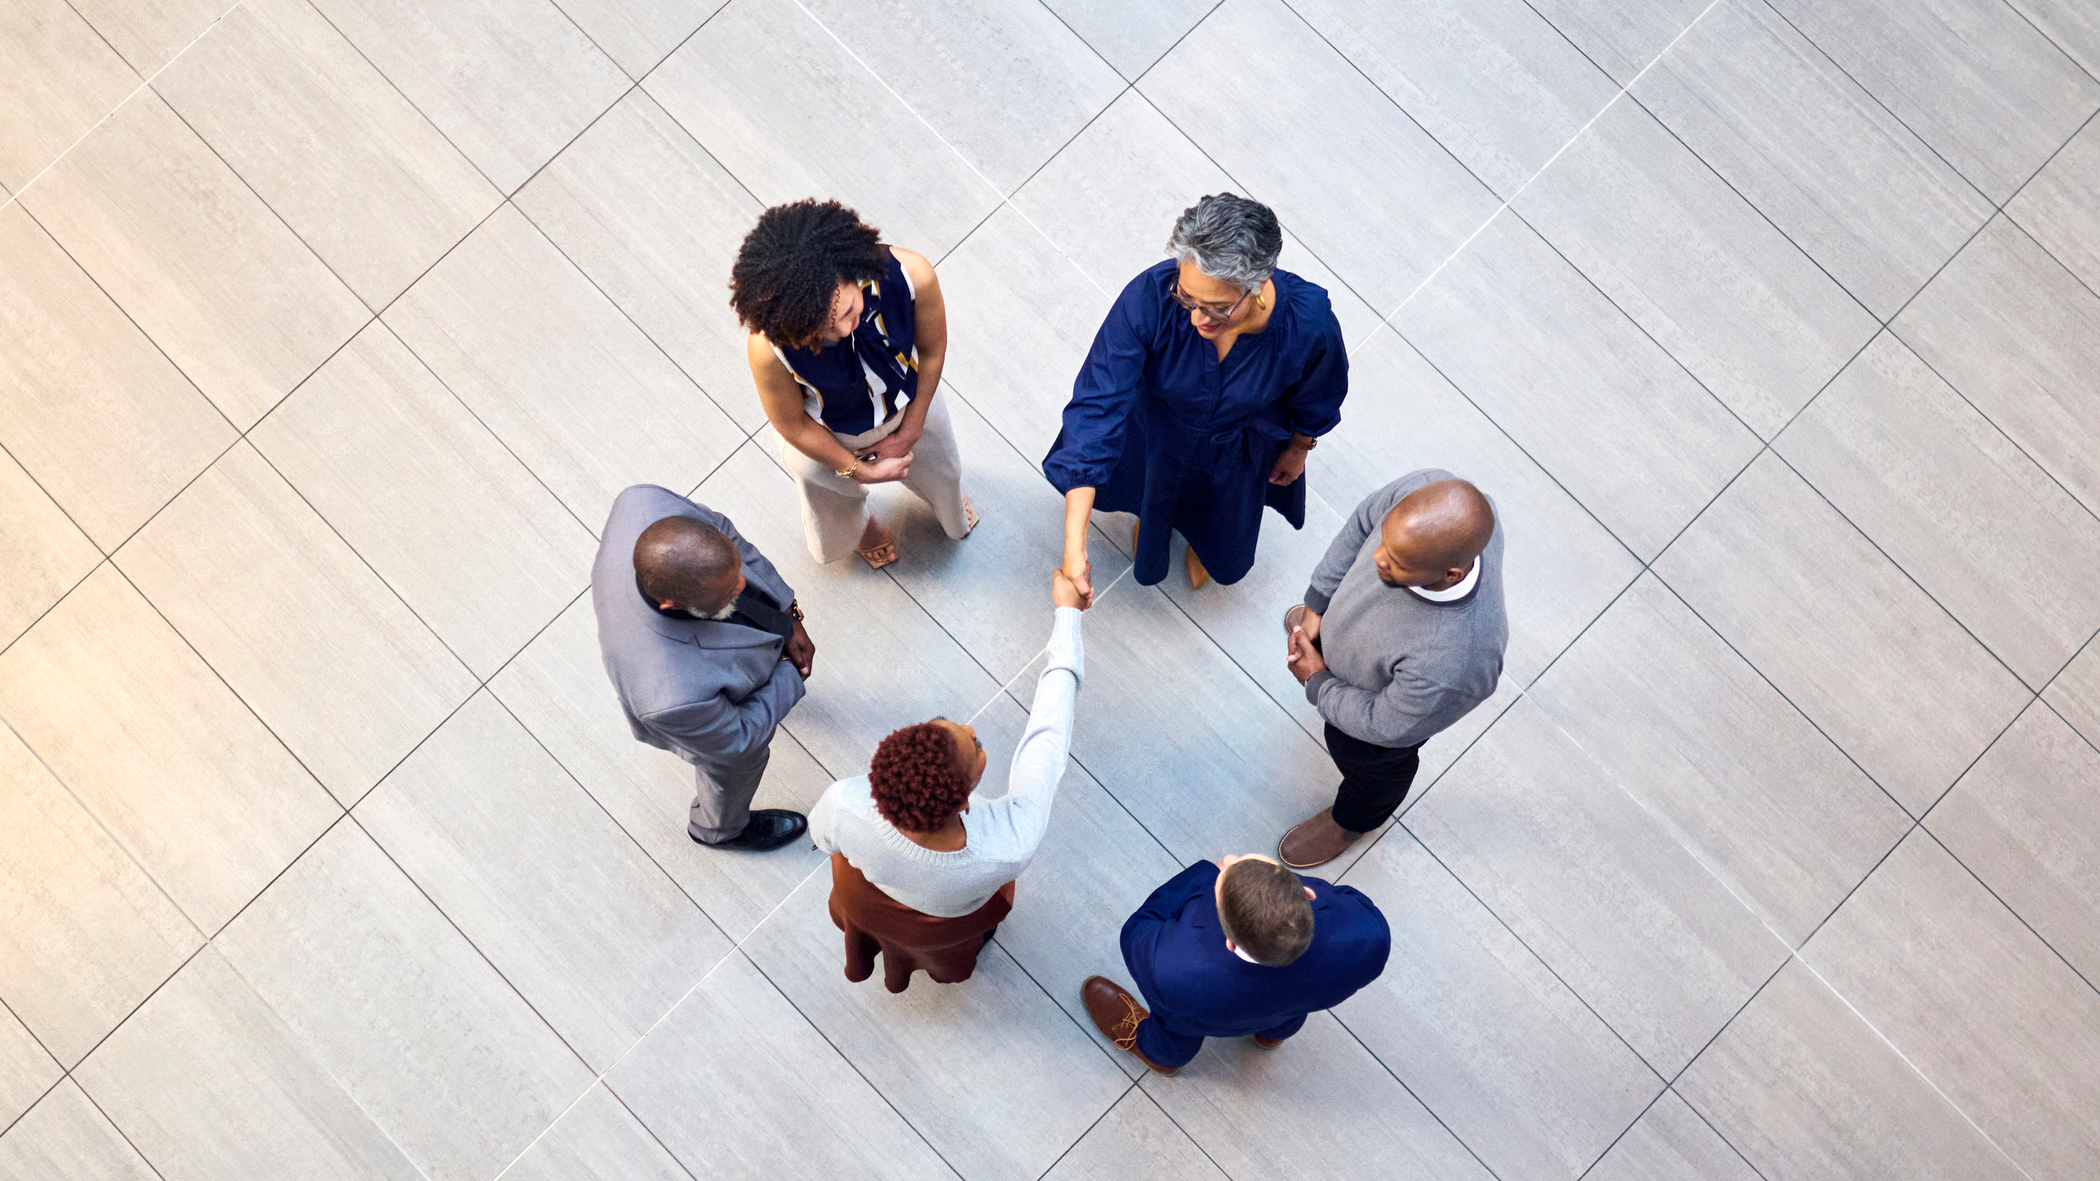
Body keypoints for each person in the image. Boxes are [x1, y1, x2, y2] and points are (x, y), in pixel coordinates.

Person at [1044, 192, 1347, 593]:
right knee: (1147, 488)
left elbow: (1319, 393)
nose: (1196, 317)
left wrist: (1299, 447)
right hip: (1153, 434)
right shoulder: (1150, 295)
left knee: (1219, 525)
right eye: (1187, 298)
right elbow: (1096, 406)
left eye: (1217, 307)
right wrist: (1075, 547)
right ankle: (1152, 519)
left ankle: (1201, 544)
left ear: (1258, 283)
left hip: (1235, 451)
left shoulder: (1309, 324)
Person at [810, 568, 1089, 991]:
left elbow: (824, 837)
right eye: (975, 746)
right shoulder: (1008, 846)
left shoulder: (846, 801)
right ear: (962, 802)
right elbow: (1046, 741)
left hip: (865, 901)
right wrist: (1069, 615)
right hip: (947, 920)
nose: (972, 730)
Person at [1277, 471, 1506, 869]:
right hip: (1360, 650)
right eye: (1385, 542)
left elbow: (1386, 725)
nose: (1377, 557)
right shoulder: (1426, 492)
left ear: (1451, 574)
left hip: (1376, 728)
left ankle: (1353, 821)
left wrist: (1318, 683)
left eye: (1396, 564)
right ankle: (1331, 632)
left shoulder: (1455, 663)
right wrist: (1319, 604)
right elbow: (1364, 522)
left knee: (1372, 770)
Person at [732, 198, 975, 569]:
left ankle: (948, 507)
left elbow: (930, 352)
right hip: (827, 435)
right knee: (827, 498)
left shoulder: (913, 274)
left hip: (910, 404)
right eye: (819, 330)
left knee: (943, 470)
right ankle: (859, 528)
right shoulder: (768, 348)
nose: (843, 330)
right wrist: (856, 469)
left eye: (847, 311)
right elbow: (793, 424)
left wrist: (911, 430)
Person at [592, 484, 816, 851]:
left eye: (737, 573)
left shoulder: (644, 500)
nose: (743, 586)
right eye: (730, 595)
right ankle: (718, 830)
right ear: (670, 604)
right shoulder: (673, 696)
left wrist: (787, 615)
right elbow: (739, 741)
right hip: (709, 722)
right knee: (730, 776)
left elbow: (723, 531)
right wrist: (790, 674)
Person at [1083, 854, 1390, 1074]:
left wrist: (1205, 874)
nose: (1229, 857)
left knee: (1174, 1028)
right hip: (1301, 996)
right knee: (1288, 1009)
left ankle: (1162, 1056)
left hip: (1205, 1009)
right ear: (1306, 892)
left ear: (1231, 943)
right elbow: (1344, 896)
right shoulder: (1369, 933)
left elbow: (1139, 927)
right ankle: (1273, 1033)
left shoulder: (1171, 967)